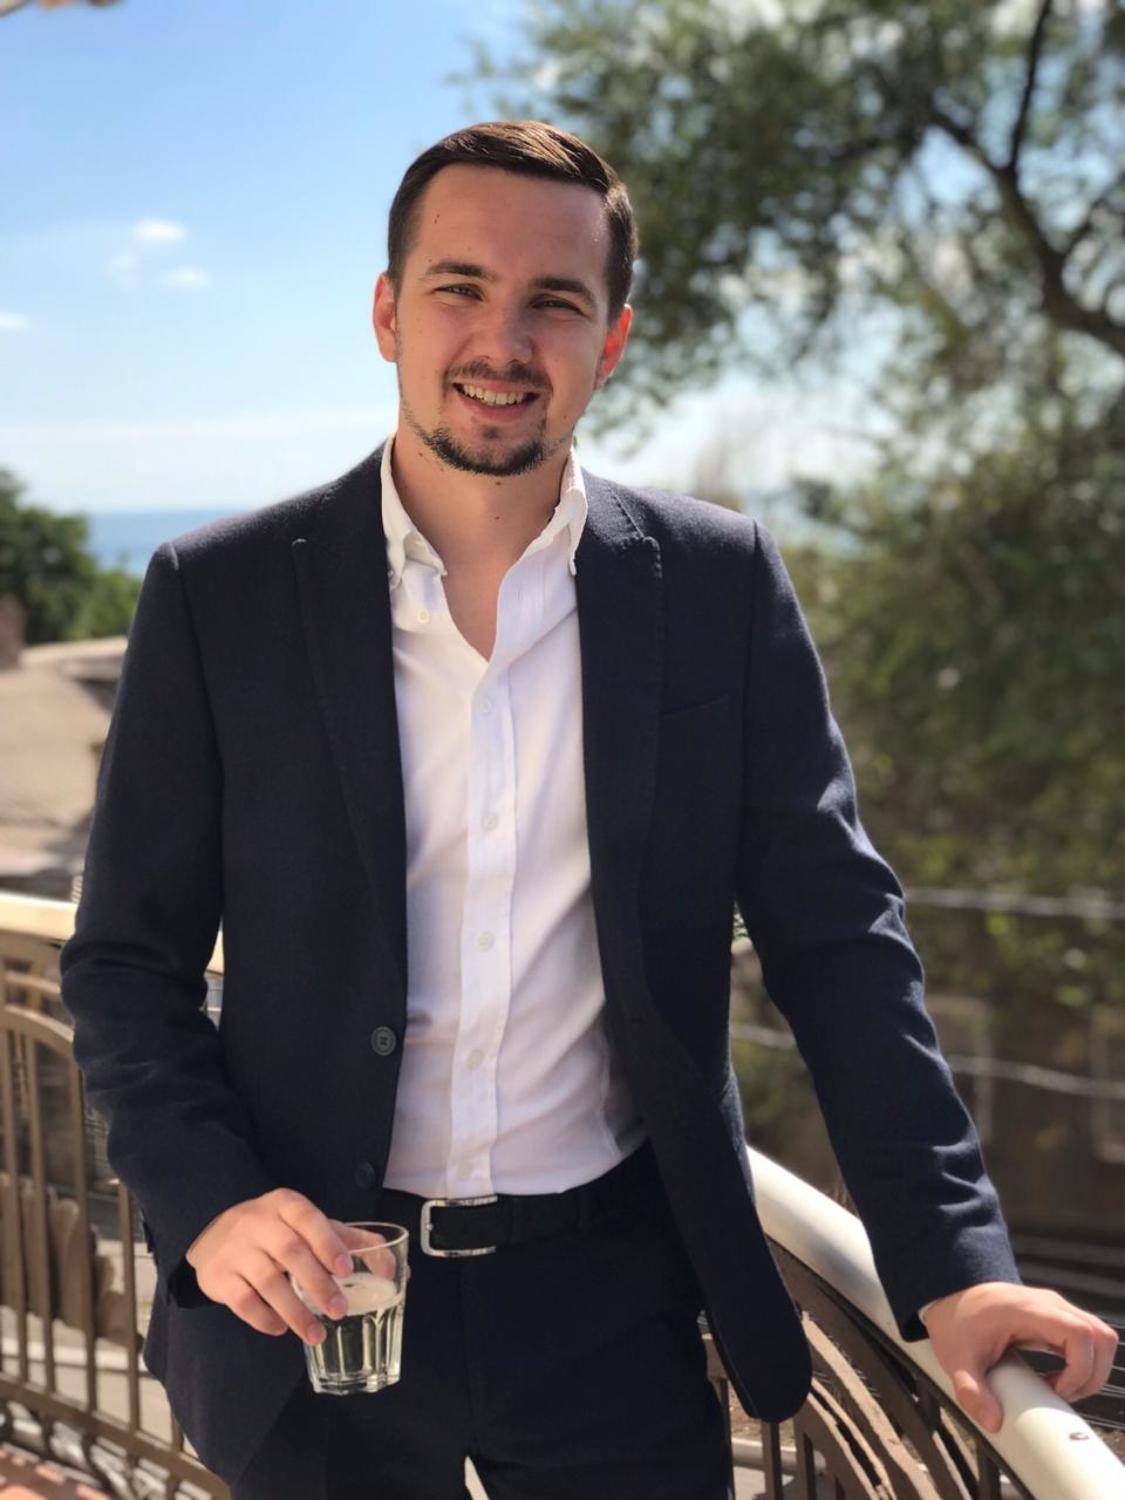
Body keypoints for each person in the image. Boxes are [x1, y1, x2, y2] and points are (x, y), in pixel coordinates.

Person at [60, 120, 1117, 1500]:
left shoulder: (716, 585)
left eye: (553, 301)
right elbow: (124, 963)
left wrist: (955, 1267)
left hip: (609, 1306)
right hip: (314, 1309)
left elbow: (839, 941)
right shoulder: (221, 596)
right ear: (387, 313)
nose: (502, 342)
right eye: (459, 288)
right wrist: (210, 1203)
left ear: (609, 340)